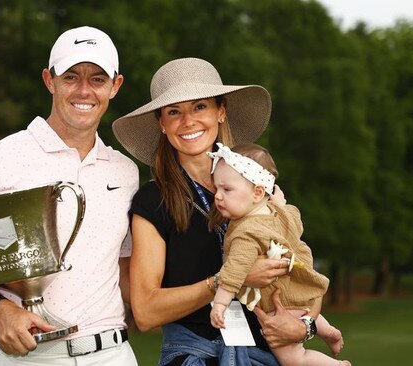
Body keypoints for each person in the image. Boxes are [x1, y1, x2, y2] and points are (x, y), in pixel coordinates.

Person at [0, 26, 139, 366]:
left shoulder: (125, 171)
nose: (84, 91)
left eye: (98, 79)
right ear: (50, 80)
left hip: (113, 354)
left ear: (115, 86)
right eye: (71, 77)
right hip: (27, 358)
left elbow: (127, 270)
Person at [112, 57, 317, 366]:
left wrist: (305, 326)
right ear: (161, 124)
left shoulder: (257, 184)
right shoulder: (152, 200)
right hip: (196, 355)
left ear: (221, 111)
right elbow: (145, 312)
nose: (188, 121)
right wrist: (226, 280)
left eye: (199, 107)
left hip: (268, 356)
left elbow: (302, 267)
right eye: (173, 112)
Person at [207, 142, 350, 366]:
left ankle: (337, 365)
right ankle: (327, 330)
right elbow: (295, 219)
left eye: (227, 189)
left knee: (294, 360)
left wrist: (220, 304)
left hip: (278, 307)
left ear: (257, 192)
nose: (217, 196)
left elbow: (233, 271)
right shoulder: (280, 213)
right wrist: (280, 204)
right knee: (301, 311)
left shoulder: (246, 232)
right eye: (216, 189)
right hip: (301, 293)